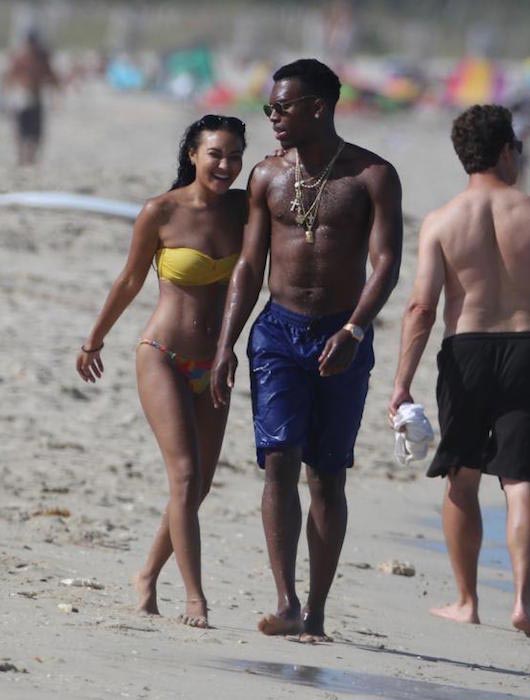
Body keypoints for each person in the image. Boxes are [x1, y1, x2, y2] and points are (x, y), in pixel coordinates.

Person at [211, 58, 403, 642]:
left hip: (342, 331)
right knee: (279, 462)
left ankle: (317, 611)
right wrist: (228, 343)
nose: (271, 118)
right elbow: (249, 265)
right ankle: (286, 600)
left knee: (327, 475)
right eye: (269, 108)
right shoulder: (267, 177)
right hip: (278, 332)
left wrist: (355, 331)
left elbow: (387, 263)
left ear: (318, 107)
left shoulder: (372, 176)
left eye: (282, 108)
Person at [76, 115, 247, 628]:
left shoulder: (245, 209)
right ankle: (195, 598)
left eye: (235, 155)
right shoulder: (162, 211)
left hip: (215, 363)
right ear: (193, 155)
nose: (226, 164)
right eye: (215, 153)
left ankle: (147, 574)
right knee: (185, 474)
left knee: (198, 488)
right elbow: (129, 280)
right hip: (163, 353)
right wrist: (94, 339)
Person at [389, 104, 530, 635]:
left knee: (462, 476)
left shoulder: (442, 221)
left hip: (466, 350)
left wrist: (402, 383)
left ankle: (467, 601)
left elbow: (422, 307)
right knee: (521, 481)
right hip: (526, 347)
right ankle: (523, 600)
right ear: (504, 152)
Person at [3, 30, 59, 165]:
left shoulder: (41, 58)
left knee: (35, 131)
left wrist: (57, 93)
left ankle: (30, 158)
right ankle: (22, 157)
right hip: (22, 97)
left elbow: (51, 76)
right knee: (22, 129)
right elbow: (9, 76)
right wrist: (7, 94)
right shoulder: (20, 57)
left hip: (35, 97)